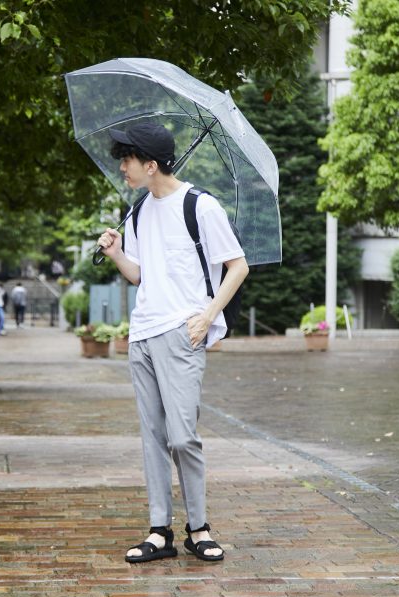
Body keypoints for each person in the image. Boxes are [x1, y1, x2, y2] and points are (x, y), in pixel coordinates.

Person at [97, 123, 248, 563]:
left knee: (183, 437)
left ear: (151, 164)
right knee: (153, 437)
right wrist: (117, 254)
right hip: (142, 334)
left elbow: (237, 267)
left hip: (182, 334)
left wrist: (207, 316)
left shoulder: (200, 206)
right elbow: (141, 274)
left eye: (127, 160)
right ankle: (159, 531)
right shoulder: (140, 209)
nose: (122, 167)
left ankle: (198, 528)